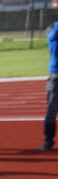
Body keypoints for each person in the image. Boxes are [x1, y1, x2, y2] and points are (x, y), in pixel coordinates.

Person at [42, 21, 58, 151]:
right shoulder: (53, 32)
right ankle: (48, 140)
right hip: (55, 75)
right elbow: (53, 34)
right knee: (52, 110)